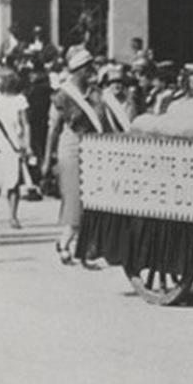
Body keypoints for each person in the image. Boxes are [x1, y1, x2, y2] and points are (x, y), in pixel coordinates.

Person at [42, 47, 114, 265]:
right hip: (71, 150)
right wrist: (47, 160)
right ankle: (67, 243)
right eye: (88, 68)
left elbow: (105, 122)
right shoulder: (62, 96)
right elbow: (53, 130)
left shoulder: (95, 93)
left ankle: (75, 244)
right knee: (75, 199)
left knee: (91, 200)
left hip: (93, 150)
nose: (92, 71)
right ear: (78, 70)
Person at [0, 68, 31, 230]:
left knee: (14, 182)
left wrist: (27, 144)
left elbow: (25, 124)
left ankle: (13, 216)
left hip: (14, 145)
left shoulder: (20, 100)